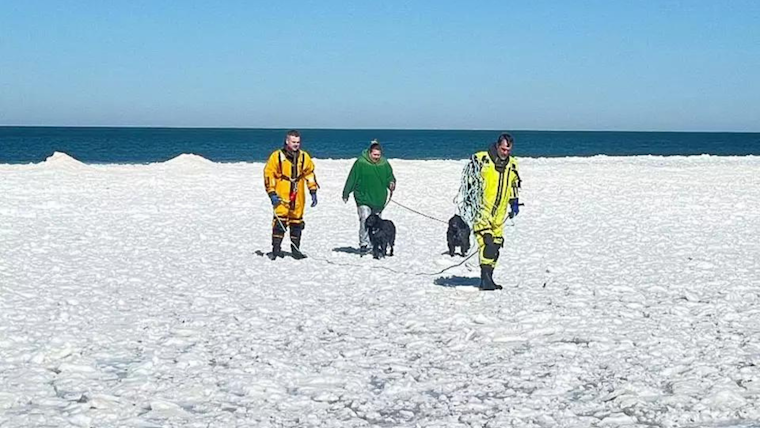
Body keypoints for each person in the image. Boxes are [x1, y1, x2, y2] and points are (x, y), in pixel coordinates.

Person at [469, 133, 521, 290]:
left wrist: (514, 202)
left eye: (508, 150)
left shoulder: (512, 164)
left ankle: (488, 278)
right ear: (497, 146)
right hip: (482, 212)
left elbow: (514, 184)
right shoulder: (482, 160)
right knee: (488, 244)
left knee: (496, 246)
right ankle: (485, 279)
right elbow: (470, 181)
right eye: (503, 149)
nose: (505, 153)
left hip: (499, 214)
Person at [263, 130, 319, 260]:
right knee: (279, 222)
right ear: (287, 141)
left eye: (298, 142)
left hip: (298, 194)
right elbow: (269, 173)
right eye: (293, 142)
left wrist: (313, 190)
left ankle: (295, 250)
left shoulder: (304, 157)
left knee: (297, 222)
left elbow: (309, 173)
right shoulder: (277, 156)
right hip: (282, 192)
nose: (296, 144)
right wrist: (271, 192)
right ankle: (276, 249)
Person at [342, 140, 396, 255]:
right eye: (374, 155)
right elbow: (352, 178)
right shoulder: (361, 162)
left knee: (377, 223)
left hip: (379, 199)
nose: (376, 157)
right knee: (365, 219)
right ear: (369, 153)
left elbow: (390, 177)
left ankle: (375, 245)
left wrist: (391, 183)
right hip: (363, 197)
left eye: (378, 155)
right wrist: (346, 192)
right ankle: (364, 244)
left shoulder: (384, 163)